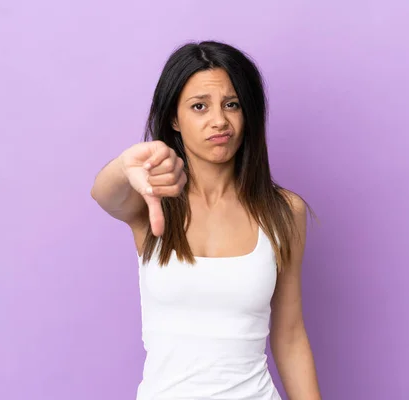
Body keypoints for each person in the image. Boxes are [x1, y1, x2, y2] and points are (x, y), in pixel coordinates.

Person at [91, 40, 321, 400]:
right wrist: (126, 165)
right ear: (173, 118)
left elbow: (290, 335)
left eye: (232, 105)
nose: (219, 121)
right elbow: (103, 194)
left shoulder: (283, 211)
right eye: (200, 106)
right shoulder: (152, 201)